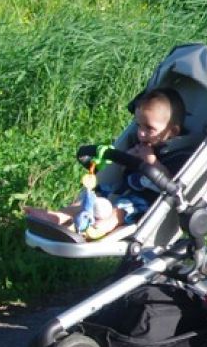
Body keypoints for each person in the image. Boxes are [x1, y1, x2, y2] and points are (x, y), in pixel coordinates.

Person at [25, 87, 185, 240]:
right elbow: (124, 171)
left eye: (149, 128)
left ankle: (96, 228)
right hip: (121, 191)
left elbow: (171, 183)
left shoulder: (177, 155)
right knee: (90, 198)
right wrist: (127, 159)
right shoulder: (139, 143)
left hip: (148, 203)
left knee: (121, 211)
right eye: (138, 125)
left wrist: (151, 161)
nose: (141, 133)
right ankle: (58, 216)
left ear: (172, 131)